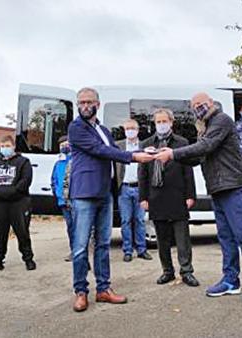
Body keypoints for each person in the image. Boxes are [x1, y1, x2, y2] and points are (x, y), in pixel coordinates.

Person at [155, 92, 242, 305]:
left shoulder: (221, 120)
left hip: (232, 186)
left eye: (201, 104)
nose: (198, 108)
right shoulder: (205, 126)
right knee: (226, 238)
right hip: (217, 188)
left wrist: (173, 153)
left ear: (210, 103)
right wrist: (165, 156)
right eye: (194, 106)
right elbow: (198, 157)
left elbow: (205, 146)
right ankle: (230, 280)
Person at [68, 87, 154, 312]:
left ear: (98, 103)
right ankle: (80, 291)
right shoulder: (76, 128)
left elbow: (116, 148)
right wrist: (134, 157)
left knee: (104, 244)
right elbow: (100, 151)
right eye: (81, 102)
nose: (85, 106)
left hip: (106, 193)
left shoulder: (104, 129)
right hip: (85, 194)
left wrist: (147, 151)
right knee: (80, 247)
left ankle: (103, 289)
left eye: (89, 102)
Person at [139, 108, 199, 287]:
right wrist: (143, 197)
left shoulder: (181, 142)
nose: (161, 125)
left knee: (182, 239)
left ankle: (186, 271)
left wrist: (190, 195)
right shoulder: (147, 144)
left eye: (165, 121)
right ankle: (167, 271)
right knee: (162, 239)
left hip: (177, 195)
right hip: (156, 196)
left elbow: (188, 171)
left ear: (171, 123)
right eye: (158, 122)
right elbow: (142, 173)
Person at [0, 135, 36, 273]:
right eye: (2, 146)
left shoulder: (23, 162)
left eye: (7, 146)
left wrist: (11, 192)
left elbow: (25, 181)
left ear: (13, 146)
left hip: (18, 202)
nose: (5, 148)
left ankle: (28, 258)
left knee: (22, 231)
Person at [116, 119, 152, 262]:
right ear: (124, 130)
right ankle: (128, 250)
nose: (130, 131)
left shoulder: (144, 146)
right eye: (127, 128)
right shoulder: (118, 146)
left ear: (138, 130)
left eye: (133, 128)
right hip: (124, 188)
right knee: (125, 221)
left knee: (140, 220)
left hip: (140, 188)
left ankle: (142, 250)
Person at [51, 135, 73, 262]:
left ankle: (81, 250)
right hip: (63, 200)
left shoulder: (76, 160)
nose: (64, 147)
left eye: (66, 144)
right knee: (70, 226)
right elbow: (54, 180)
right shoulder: (58, 163)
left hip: (75, 199)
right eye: (62, 145)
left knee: (78, 226)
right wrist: (57, 194)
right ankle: (73, 250)